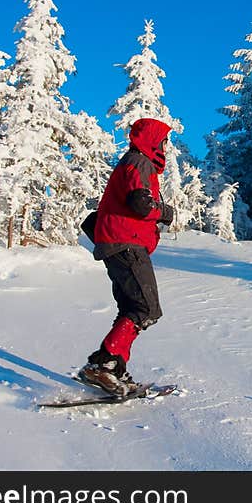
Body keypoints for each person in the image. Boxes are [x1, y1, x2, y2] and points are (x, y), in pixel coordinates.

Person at [79, 117, 174, 396]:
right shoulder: (140, 162)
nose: (167, 147)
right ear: (153, 142)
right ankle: (103, 367)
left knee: (132, 308)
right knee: (146, 308)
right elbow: (140, 204)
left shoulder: (133, 162)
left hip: (119, 243)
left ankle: (112, 369)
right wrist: (164, 212)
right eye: (165, 141)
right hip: (126, 243)